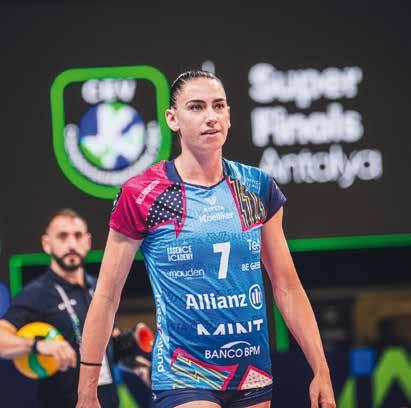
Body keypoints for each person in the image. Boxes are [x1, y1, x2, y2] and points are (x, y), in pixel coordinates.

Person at [77, 70, 336, 408]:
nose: (211, 116)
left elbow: (287, 286)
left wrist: (321, 369)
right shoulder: (143, 194)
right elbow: (107, 296)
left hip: (252, 371)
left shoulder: (257, 187)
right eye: (196, 107)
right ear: (172, 119)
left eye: (218, 106)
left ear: (229, 115)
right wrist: (87, 390)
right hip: (183, 373)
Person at [0, 209, 119, 408]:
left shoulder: (99, 290)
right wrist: (38, 345)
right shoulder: (36, 293)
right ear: (47, 244)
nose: (71, 244)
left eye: (78, 236)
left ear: (88, 242)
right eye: (63, 236)